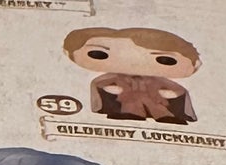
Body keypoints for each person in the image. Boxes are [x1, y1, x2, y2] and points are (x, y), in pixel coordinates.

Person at [63, 25, 200, 125]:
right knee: (132, 103)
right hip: (127, 100)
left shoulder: (157, 81)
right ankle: (132, 114)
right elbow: (99, 84)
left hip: (155, 99)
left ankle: (165, 116)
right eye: (99, 54)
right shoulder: (115, 78)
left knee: (155, 106)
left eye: (166, 60)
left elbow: (178, 90)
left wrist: (169, 93)